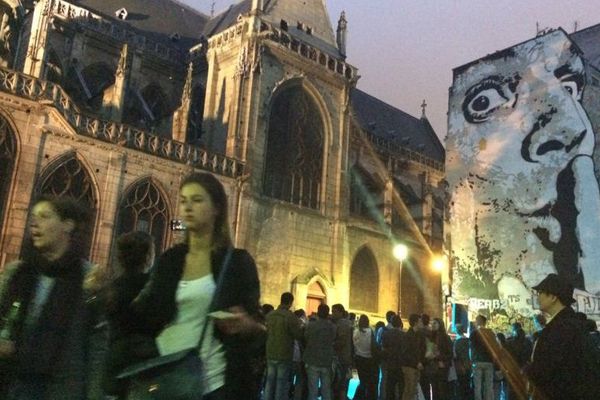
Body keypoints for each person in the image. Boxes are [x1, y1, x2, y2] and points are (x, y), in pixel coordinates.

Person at [130, 172, 263, 400]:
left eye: (197, 200)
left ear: (217, 208)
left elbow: (259, 326)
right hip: (166, 373)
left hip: (212, 382)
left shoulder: (237, 262)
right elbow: (145, 314)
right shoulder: (171, 259)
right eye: (183, 201)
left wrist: (246, 324)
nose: (188, 207)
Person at [0, 196, 107, 400]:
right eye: (33, 217)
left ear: (67, 225)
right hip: (12, 385)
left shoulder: (89, 280)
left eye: (44, 216)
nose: (34, 223)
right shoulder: (17, 273)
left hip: (60, 390)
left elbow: (97, 350)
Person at [525, 273, 600, 400]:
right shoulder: (571, 324)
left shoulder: (561, 328)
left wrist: (527, 371)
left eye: (541, 293)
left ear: (553, 297)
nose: (538, 297)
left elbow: (547, 369)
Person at [104, 231, 156, 398]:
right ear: (148, 257)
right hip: (142, 368)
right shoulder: (152, 288)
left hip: (113, 363)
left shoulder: (111, 288)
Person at [264, 292, 302, 400]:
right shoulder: (291, 317)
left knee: (269, 382)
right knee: (281, 383)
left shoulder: (270, 315)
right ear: (290, 302)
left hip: (270, 352)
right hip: (284, 354)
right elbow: (298, 334)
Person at [304, 304, 336, 400]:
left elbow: (306, 338)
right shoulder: (333, 327)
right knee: (326, 390)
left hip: (312, 359)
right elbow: (333, 339)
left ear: (318, 312)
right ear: (328, 313)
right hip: (326, 361)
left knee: (312, 390)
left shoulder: (311, 325)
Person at [470, 315, 495, 400]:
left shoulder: (473, 333)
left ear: (478, 322)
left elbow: (471, 348)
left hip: (477, 361)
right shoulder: (491, 333)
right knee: (488, 386)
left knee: (477, 386)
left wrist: (472, 360)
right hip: (488, 361)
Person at [353, 314, 378, 400]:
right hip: (368, 358)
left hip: (358, 358)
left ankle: (358, 396)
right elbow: (374, 345)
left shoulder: (355, 331)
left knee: (362, 380)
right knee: (368, 381)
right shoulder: (370, 331)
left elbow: (354, 344)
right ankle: (362, 396)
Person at [400, 314, 425, 400]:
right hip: (409, 366)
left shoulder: (418, 335)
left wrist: (421, 362)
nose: (422, 323)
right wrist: (416, 363)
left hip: (416, 366)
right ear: (415, 323)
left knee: (413, 390)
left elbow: (420, 350)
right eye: (420, 321)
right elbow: (406, 353)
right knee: (409, 390)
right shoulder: (408, 336)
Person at [331, 304, 353, 400]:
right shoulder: (341, 323)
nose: (333, 314)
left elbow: (341, 341)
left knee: (340, 384)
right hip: (342, 358)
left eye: (335, 312)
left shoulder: (343, 324)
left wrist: (330, 344)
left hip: (342, 358)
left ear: (340, 312)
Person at [381, 314, 404, 400]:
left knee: (389, 386)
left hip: (390, 363)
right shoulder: (404, 335)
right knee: (401, 386)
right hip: (400, 364)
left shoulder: (386, 334)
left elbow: (383, 348)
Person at [453, 324, 472, 400]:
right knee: (467, 384)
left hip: (460, 366)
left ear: (457, 331)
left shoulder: (457, 342)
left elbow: (455, 355)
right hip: (468, 365)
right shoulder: (468, 341)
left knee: (461, 385)